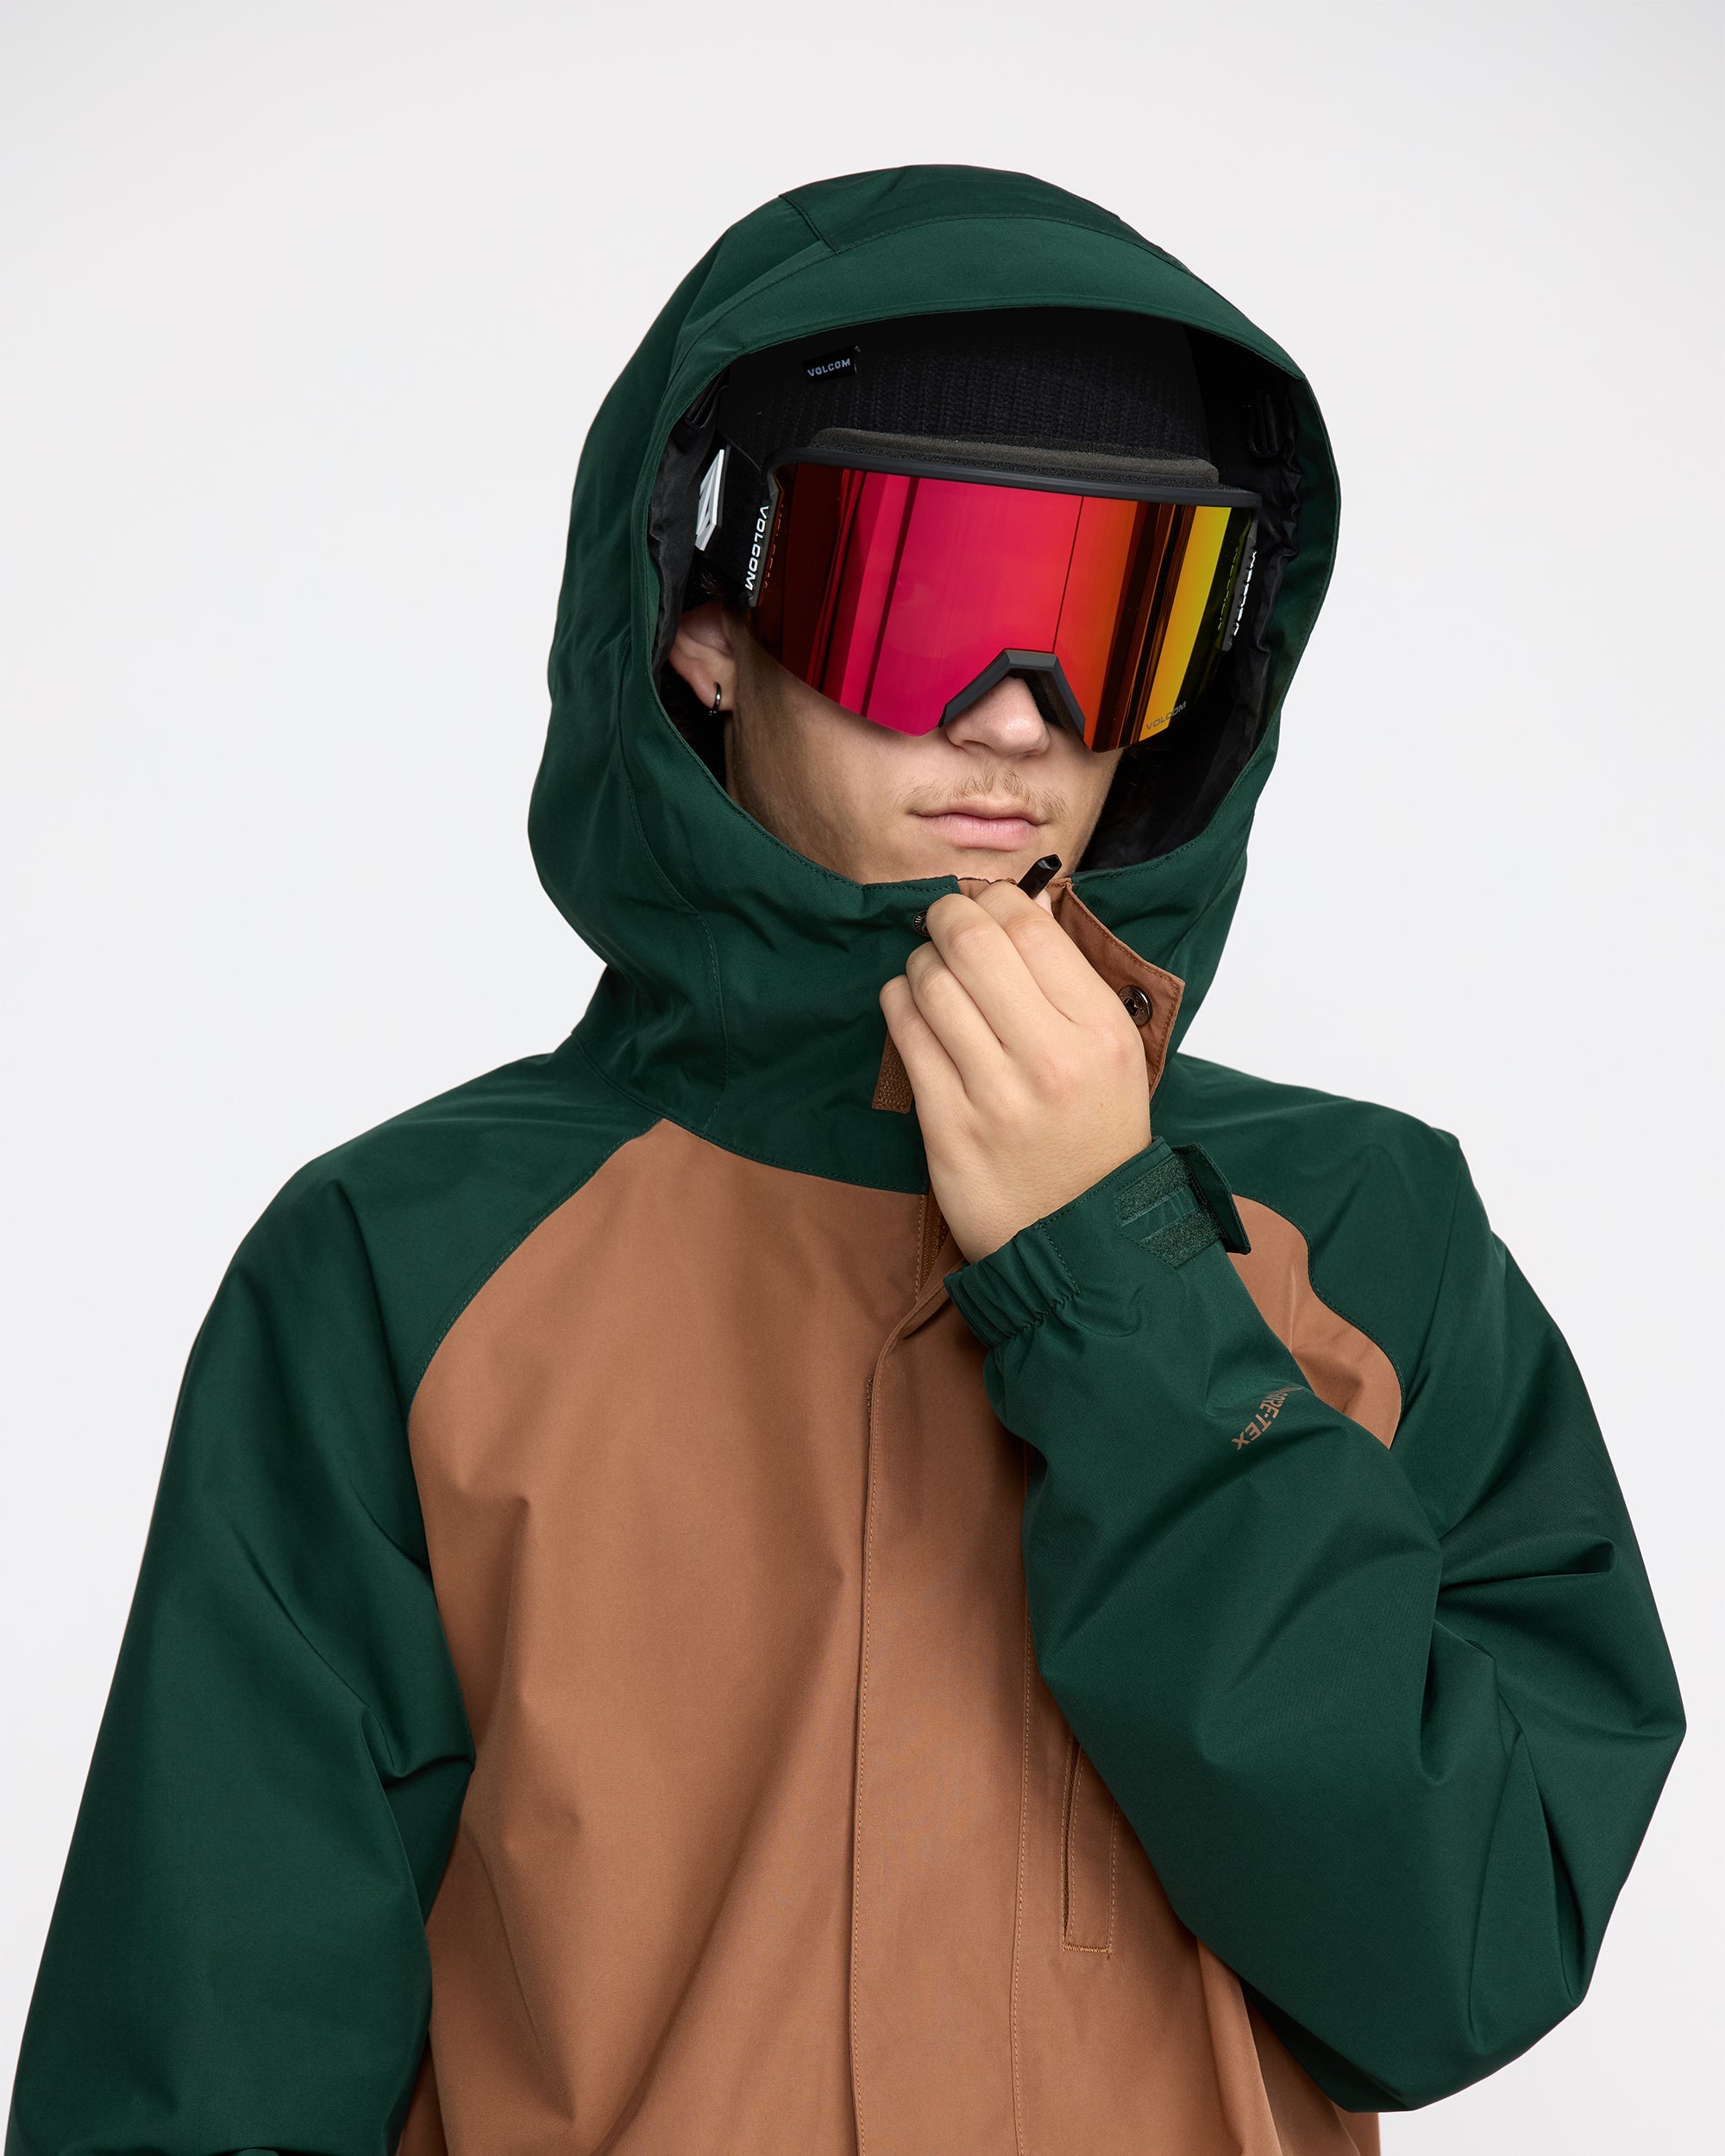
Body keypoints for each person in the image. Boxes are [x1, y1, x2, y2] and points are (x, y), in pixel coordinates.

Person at [7, 165, 1683, 2156]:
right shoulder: (407, 1260)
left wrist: (1120, 1268)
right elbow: (205, 2065)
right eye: (926, 598)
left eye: (1111, 622)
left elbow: (1452, 1955)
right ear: (709, 626)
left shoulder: (1364, 1236)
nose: (1017, 719)